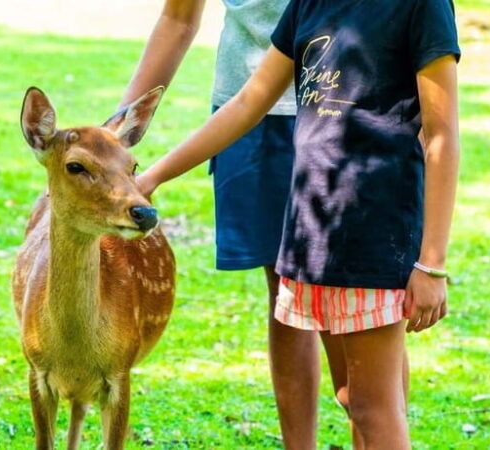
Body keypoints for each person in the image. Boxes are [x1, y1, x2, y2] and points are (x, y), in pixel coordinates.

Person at [136, 0, 461, 447]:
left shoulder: (420, 6)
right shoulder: (309, 4)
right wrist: (153, 176)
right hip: (312, 232)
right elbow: (248, 102)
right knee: (354, 395)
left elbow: (441, 136)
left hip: (375, 229)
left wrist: (432, 264)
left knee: (370, 405)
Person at [120, 1, 355, 448]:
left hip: (339, 108)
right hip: (246, 115)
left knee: (350, 305)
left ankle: (377, 433)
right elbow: (178, 19)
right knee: (286, 294)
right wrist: (122, 123)